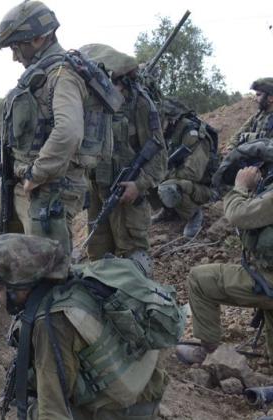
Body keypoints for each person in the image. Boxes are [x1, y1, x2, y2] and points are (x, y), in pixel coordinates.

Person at [0, 1, 108, 350]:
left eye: (17, 46)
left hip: (49, 190)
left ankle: (48, 344)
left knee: (46, 271)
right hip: (22, 188)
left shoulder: (62, 75)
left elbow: (69, 132)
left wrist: (39, 172)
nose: (15, 56)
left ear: (39, 38)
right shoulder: (42, 74)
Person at [0, 233, 169, 419]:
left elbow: (53, 411)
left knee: (36, 411)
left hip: (125, 412)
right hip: (146, 391)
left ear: (22, 285)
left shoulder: (51, 322)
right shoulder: (75, 280)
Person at [176, 139, 273, 364]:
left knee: (200, 280)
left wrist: (240, 186)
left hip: (268, 280)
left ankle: (209, 354)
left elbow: (238, 215)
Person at [79, 44, 167, 273]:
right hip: (97, 192)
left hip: (127, 196)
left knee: (133, 260)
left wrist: (139, 185)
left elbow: (159, 155)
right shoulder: (92, 107)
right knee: (98, 257)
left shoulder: (140, 104)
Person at [151, 98, 218, 238]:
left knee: (167, 187)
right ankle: (169, 210)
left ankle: (194, 214)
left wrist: (165, 175)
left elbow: (193, 173)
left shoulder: (192, 134)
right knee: (146, 178)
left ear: (170, 119)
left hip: (203, 189)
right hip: (185, 182)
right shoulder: (170, 133)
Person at [227, 77, 273, 151]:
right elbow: (238, 135)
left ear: (271, 98)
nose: (255, 99)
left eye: (258, 95)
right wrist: (230, 148)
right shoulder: (257, 116)